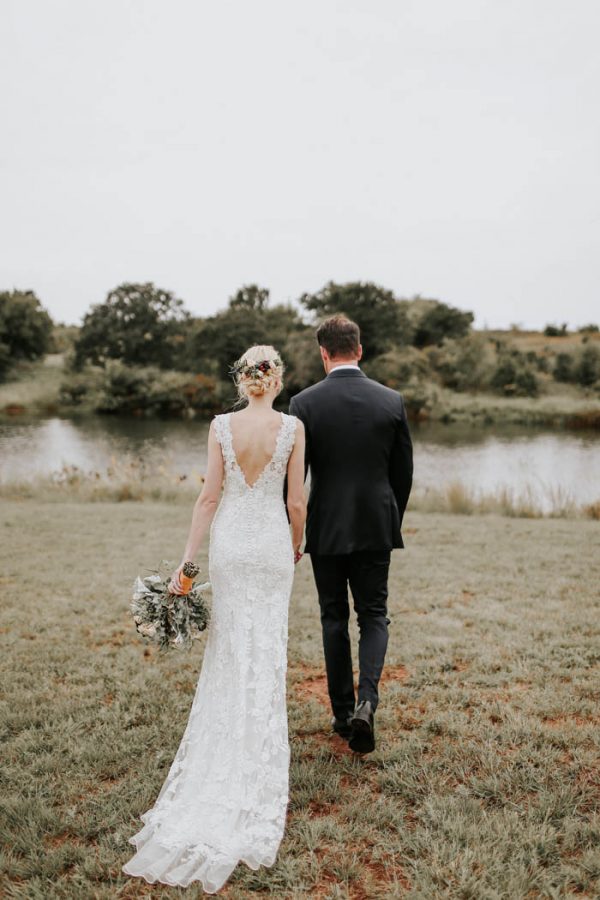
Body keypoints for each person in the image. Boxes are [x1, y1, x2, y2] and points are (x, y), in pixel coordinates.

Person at [122, 345, 306, 893]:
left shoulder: (221, 426)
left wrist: (187, 561)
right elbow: (297, 503)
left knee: (227, 651)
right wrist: (295, 548)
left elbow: (207, 498)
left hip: (229, 547)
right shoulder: (293, 428)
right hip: (272, 548)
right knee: (265, 651)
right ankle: (256, 757)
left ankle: (220, 759)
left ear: (244, 379)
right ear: (275, 381)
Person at [289, 315, 413, 753]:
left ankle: (343, 715)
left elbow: (295, 481)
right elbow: (404, 475)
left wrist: (295, 532)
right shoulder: (391, 400)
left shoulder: (303, 405)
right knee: (374, 615)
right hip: (376, 525)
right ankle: (367, 703)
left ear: (323, 353)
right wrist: (388, 516)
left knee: (333, 618)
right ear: (359, 350)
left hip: (326, 529)